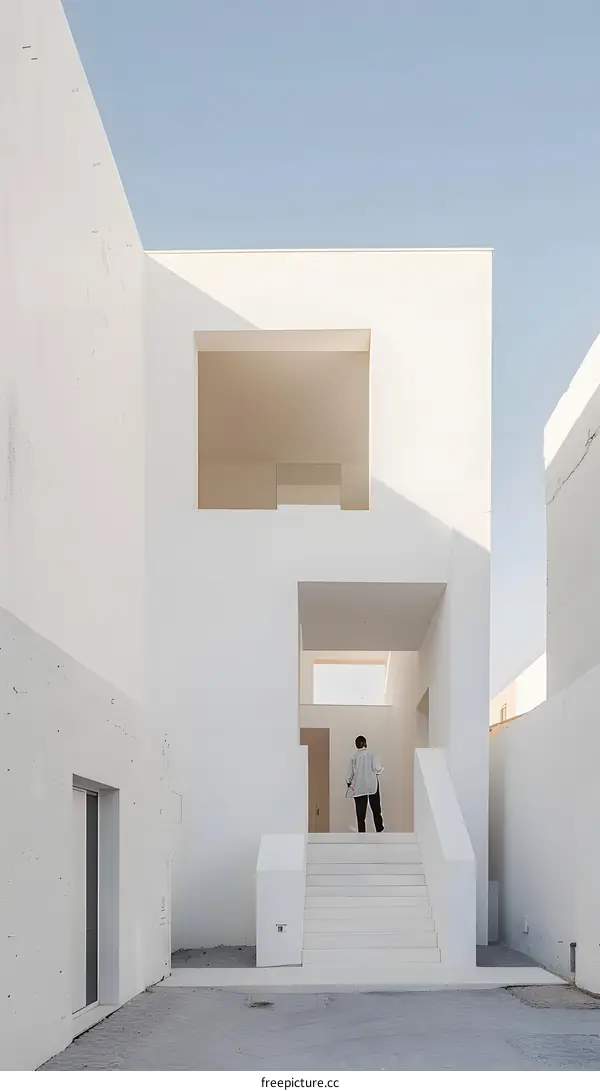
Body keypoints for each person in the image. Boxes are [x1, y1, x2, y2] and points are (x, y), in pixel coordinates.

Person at [346, 735, 384, 833]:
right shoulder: (372, 754)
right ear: (365, 743)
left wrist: (350, 786)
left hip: (359, 788)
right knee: (376, 810)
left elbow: (349, 776)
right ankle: (380, 831)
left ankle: (362, 835)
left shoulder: (353, 757)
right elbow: (377, 769)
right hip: (372, 786)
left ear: (356, 745)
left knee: (360, 815)